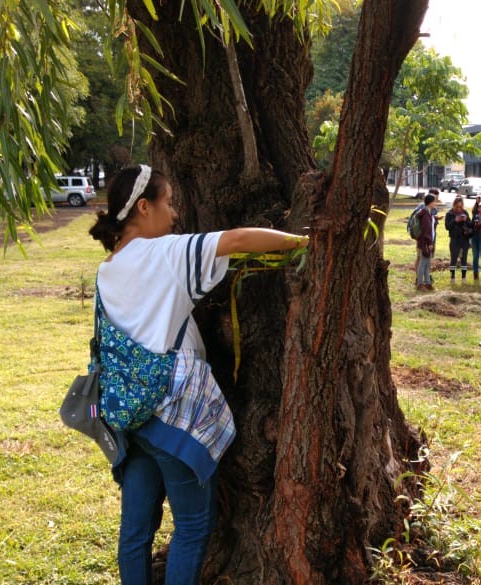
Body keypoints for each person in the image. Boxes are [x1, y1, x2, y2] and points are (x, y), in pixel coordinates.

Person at [89, 165, 308, 585]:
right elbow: (239, 239)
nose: (174, 214)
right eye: (168, 203)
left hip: (129, 421)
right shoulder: (166, 253)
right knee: (191, 527)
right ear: (143, 206)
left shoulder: (107, 270)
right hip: (173, 419)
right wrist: (304, 241)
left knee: (135, 531)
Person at [444, 196, 473, 282]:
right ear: (453, 206)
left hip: (464, 239)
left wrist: (466, 219)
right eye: (457, 207)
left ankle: (463, 277)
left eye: (461, 207)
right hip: (454, 239)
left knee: (464, 259)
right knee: (453, 258)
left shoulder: (465, 212)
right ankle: (452, 277)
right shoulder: (449, 214)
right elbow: (447, 227)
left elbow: (470, 225)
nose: (459, 209)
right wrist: (455, 221)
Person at [415, 193, 439, 291]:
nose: (436, 203)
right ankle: (420, 284)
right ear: (429, 202)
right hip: (425, 242)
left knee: (427, 263)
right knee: (423, 263)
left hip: (427, 241)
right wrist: (429, 243)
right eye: (434, 201)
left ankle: (428, 283)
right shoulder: (425, 214)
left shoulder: (428, 213)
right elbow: (426, 230)